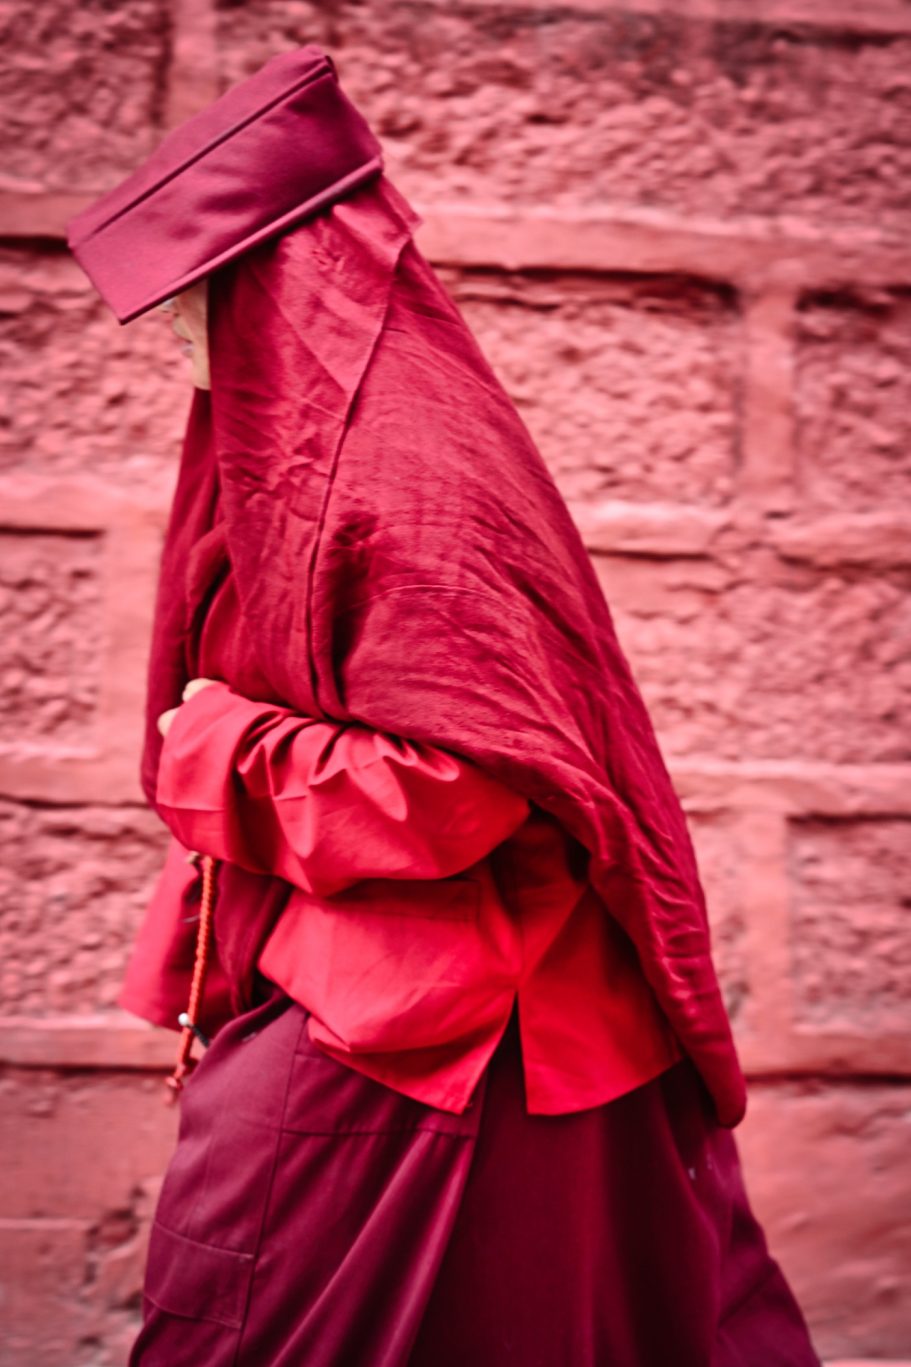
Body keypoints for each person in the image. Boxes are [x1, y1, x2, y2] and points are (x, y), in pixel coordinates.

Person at [68, 46, 822, 1366]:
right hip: (410, 1003)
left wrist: (215, 742)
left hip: (452, 1025)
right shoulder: (310, 452)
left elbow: (461, 787)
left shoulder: (412, 470)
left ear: (282, 288)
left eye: (200, 297)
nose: (180, 335)